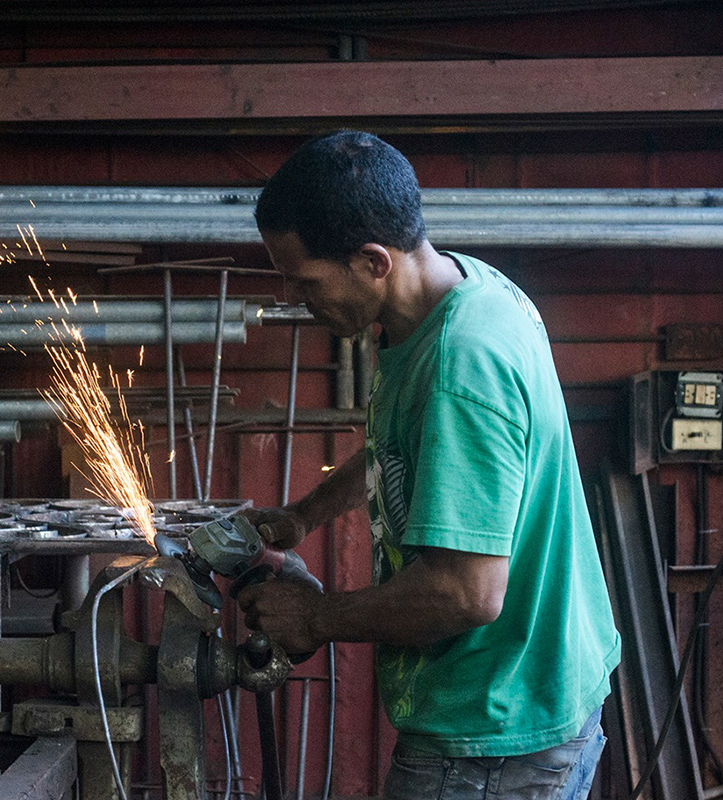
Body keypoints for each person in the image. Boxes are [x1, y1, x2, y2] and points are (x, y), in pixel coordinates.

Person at [237, 130, 621, 800]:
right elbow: (409, 448)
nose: (299, 300)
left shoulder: (464, 360)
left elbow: (467, 593)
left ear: (372, 261)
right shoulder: (454, 293)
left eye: (306, 282)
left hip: (496, 733)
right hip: (525, 694)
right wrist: (305, 516)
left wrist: (314, 619)